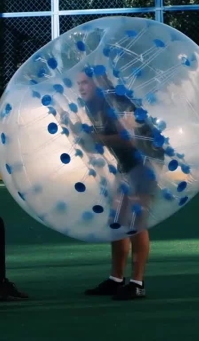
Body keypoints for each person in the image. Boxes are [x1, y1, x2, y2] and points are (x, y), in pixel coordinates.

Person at [70, 68, 165, 301]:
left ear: (98, 83)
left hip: (146, 160)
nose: (81, 87)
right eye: (79, 83)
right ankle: (116, 279)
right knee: (117, 219)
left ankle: (137, 283)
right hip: (127, 162)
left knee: (135, 220)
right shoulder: (90, 106)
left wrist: (93, 137)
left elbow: (130, 139)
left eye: (85, 82)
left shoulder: (113, 103)